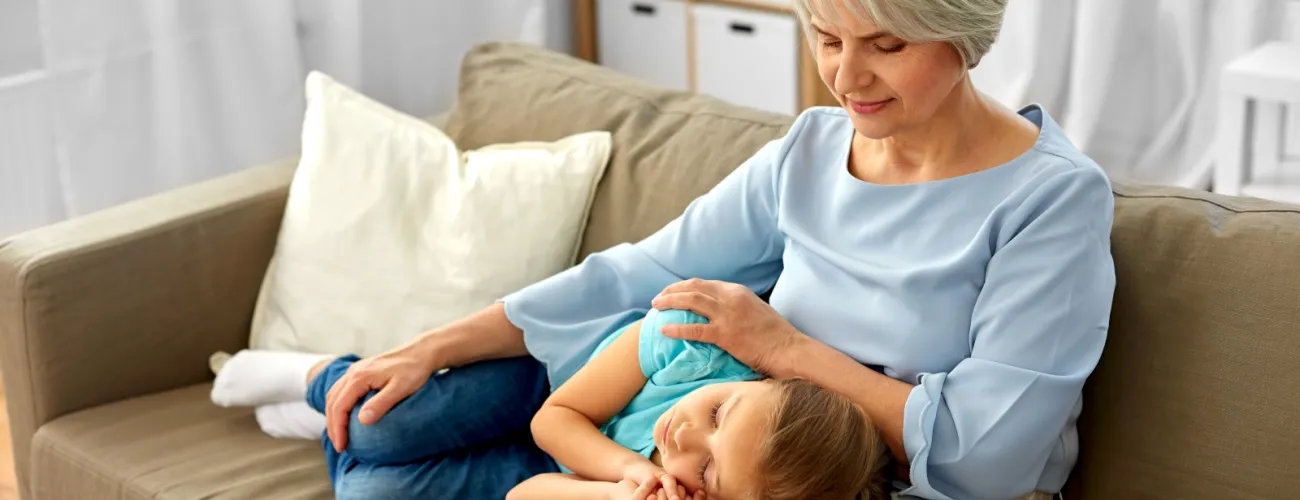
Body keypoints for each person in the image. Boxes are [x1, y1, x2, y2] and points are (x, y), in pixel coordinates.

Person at [316, 0, 1117, 497]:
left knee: (379, 490)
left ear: (962, 37)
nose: (848, 77)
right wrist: (432, 345)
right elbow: (648, 271)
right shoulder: (810, 150)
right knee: (383, 421)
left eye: (885, 45)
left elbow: (989, 455)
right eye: (827, 36)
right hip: (675, 392)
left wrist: (786, 349)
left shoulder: (1049, 198)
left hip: (760, 472)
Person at [506, 309, 887, 499]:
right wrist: (629, 465)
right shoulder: (690, 345)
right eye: (717, 414)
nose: (685, 437)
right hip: (549, 372)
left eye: (706, 469)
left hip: (549, 472)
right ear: (770, 378)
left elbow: (520, 494)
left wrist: (615, 493)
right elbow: (553, 420)